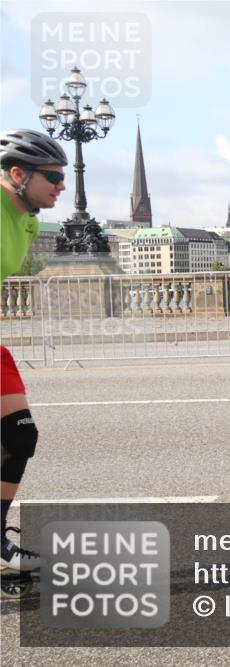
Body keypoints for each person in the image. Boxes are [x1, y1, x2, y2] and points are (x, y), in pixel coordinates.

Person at [1, 128, 68, 575]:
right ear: (19, 174)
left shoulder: (27, 219)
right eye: (53, 176)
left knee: (20, 436)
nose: (62, 184)